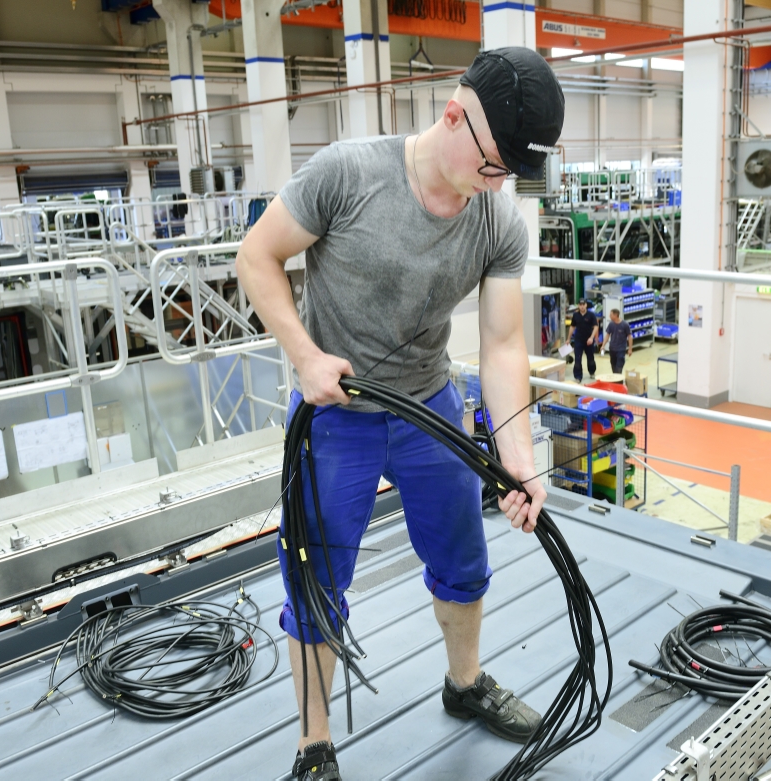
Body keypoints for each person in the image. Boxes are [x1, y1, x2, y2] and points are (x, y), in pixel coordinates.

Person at [235, 47, 565, 781]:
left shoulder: (496, 219)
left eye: (510, 172)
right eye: (492, 167)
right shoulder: (347, 175)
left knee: (462, 561)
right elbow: (257, 257)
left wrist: (518, 455)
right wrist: (305, 357)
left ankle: (466, 682)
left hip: (431, 409)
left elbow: (505, 340)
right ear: (454, 117)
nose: (498, 183)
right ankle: (314, 743)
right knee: (315, 581)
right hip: (335, 415)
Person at [568, 299, 598, 383]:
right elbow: (572, 327)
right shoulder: (575, 315)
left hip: (589, 340)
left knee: (590, 358)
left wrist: (591, 338)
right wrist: (568, 339)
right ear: (578, 305)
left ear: (586, 305)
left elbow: (596, 327)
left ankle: (592, 372)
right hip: (578, 340)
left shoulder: (591, 315)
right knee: (577, 359)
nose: (582, 306)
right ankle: (578, 376)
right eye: (580, 305)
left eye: (583, 304)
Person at [603, 308, 633, 374]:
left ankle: (619, 381)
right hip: (612, 348)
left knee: (619, 366)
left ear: (616, 315)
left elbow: (629, 337)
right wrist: (603, 345)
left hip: (621, 349)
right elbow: (607, 335)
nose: (609, 316)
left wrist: (630, 349)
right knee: (613, 366)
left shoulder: (625, 324)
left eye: (611, 314)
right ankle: (615, 380)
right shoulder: (611, 324)